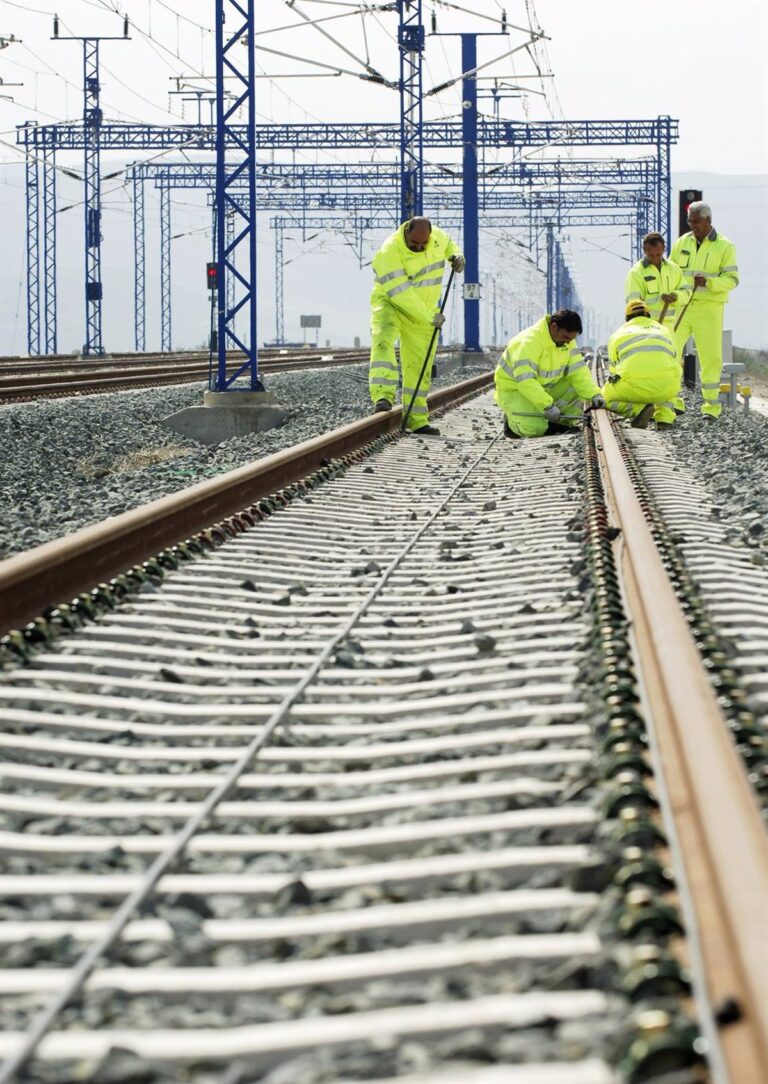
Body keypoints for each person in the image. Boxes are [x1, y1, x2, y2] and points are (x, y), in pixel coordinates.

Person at [368, 216, 465, 436]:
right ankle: (382, 396)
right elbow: (401, 294)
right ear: (406, 234)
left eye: (424, 244)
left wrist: (456, 256)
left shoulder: (437, 237)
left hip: (424, 312)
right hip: (391, 304)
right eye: (415, 244)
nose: (420, 247)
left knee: (420, 365)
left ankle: (417, 419)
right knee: (383, 342)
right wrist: (430, 316)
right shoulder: (389, 251)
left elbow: (449, 244)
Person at [669, 202, 739, 420]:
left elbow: (732, 279)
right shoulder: (681, 243)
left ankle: (710, 406)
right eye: (690, 221)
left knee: (710, 358)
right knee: (670, 351)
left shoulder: (724, 246)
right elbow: (670, 272)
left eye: (696, 221)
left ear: (708, 220)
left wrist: (708, 282)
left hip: (709, 309)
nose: (692, 225)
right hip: (682, 307)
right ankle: (672, 400)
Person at [494, 310, 603, 438]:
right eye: (566, 337)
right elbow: (526, 382)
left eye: (572, 339)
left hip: (544, 388)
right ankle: (511, 423)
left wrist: (594, 395)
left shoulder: (566, 341)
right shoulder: (529, 342)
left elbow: (578, 372)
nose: (569, 342)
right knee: (534, 429)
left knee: (577, 388)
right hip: (516, 391)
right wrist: (547, 405)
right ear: (554, 327)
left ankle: (559, 424)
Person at [601, 300, 681, 429]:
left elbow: (613, 370)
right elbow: (675, 360)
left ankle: (638, 410)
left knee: (601, 397)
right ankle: (664, 418)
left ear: (627, 318)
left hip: (634, 388)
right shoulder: (665, 331)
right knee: (671, 376)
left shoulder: (618, 334)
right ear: (648, 315)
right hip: (667, 388)